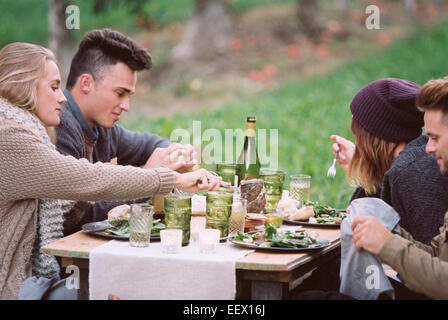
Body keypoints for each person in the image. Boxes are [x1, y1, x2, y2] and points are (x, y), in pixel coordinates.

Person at [0, 42, 222, 300]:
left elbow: (81, 185)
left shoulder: (31, 130)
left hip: (35, 279)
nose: (61, 96)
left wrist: (172, 159)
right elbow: (87, 178)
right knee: (138, 284)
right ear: (22, 85)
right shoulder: (9, 136)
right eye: (53, 87)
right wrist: (170, 178)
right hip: (16, 288)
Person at [55, 28, 198, 235]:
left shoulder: (103, 128)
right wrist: (147, 180)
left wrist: (175, 154)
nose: (126, 106)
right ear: (86, 83)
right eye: (119, 93)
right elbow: (76, 219)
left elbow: (151, 144)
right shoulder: (59, 126)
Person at [349, 76, 448, 299]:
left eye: (434, 137)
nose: (429, 148)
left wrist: (386, 243)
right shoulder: (411, 164)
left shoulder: (414, 171)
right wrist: (388, 232)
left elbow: (432, 280)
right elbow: (434, 254)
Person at [331, 78, 448, 245]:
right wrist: (363, 165)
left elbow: (431, 258)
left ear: (372, 136)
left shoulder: (412, 172)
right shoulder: (413, 159)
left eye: (358, 133)